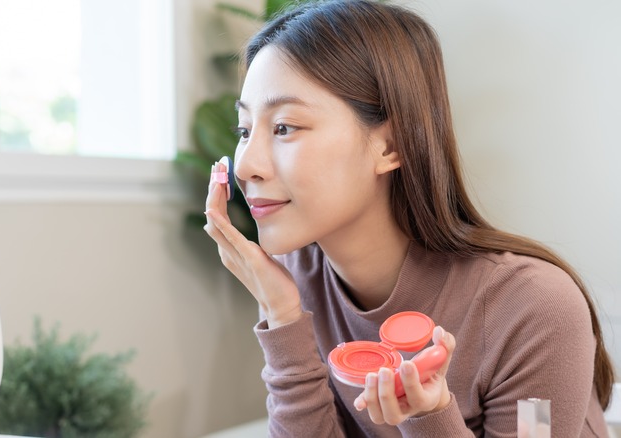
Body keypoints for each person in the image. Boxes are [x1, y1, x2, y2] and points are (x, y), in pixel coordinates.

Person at [202, 1, 615, 437]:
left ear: (390, 146)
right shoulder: (294, 280)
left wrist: (429, 415)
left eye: (284, 127)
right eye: (245, 131)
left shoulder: (535, 308)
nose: (245, 165)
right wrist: (283, 316)